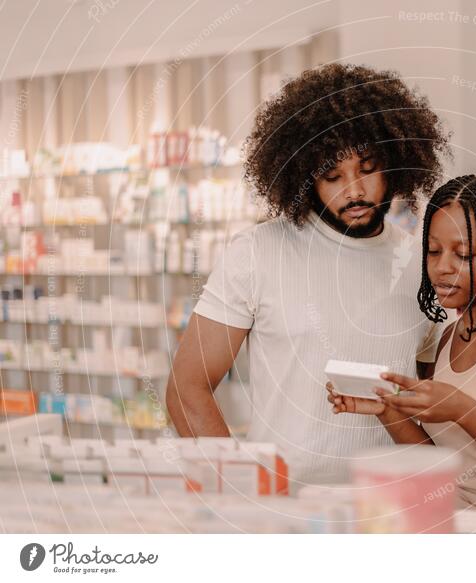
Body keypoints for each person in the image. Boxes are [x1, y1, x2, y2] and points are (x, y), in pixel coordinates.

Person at [166, 63, 450, 491]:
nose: (354, 191)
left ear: (396, 162)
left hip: (392, 510)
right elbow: (187, 389)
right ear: (304, 176)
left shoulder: (421, 262)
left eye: (367, 169)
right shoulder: (259, 253)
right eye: (332, 176)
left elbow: (425, 401)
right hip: (286, 513)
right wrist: (238, 490)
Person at [328, 173, 476, 521]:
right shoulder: (449, 337)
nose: (442, 268)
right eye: (433, 251)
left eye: (463, 255)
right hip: (457, 527)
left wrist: (462, 409)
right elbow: (440, 461)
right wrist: (386, 409)